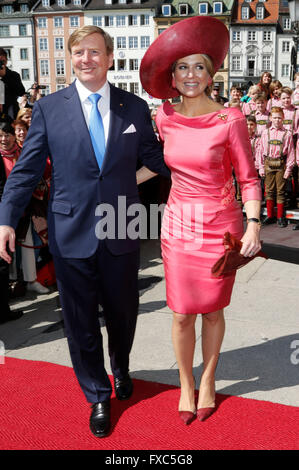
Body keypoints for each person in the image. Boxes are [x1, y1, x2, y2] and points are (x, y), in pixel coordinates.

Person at [0, 25, 170, 438]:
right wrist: (6, 217)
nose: (86, 59)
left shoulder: (133, 107)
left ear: (110, 58)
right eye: (79, 53)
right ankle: (96, 392)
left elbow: (156, 159)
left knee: (124, 310)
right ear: (71, 59)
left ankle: (121, 364)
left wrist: (130, 184)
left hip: (122, 222)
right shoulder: (49, 108)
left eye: (95, 52)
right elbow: (26, 170)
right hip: (69, 226)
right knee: (78, 320)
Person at [139, 16, 261, 424]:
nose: (191, 75)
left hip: (220, 226)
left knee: (211, 311)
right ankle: (185, 385)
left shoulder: (231, 120)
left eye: (199, 67)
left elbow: (248, 177)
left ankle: (207, 379)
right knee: (180, 312)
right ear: (172, 75)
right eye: (183, 67)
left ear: (211, 75)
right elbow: (155, 167)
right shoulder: (164, 118)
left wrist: (254, 225)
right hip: (178, 225)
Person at [258, 107, 295, 228]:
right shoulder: (265, 132)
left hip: (281, 164)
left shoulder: (287, 134)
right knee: (268, 191)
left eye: (279, 117)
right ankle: (270, 215)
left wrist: (288, 169)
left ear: (283, 118)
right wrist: (261, 167)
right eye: (274, 117)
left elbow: (291, 153)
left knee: (280, 191)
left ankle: (280, 217)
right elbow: (260, 151)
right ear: (270, 118)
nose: (277, 120)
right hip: (268, 163)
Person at [0, 48, 25, 119]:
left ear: (7, 61)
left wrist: (5, 76)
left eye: (2, 61)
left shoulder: (14, 75)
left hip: (10, 113)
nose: (1, 64)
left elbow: (20, 92)